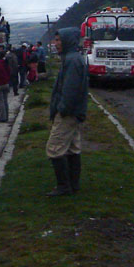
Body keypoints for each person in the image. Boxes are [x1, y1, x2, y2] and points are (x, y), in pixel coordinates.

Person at [45, 28, 88, 196]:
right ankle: (73, 185)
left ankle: (63, 186)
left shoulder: (71, 61)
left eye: (58, 40)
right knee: (72, 148)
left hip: (68, 114)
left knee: (54, 148)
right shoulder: (74, 59)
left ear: (67, 41)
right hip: (74, 112)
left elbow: (69, 90)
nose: (55, 44)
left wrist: (62, 109)